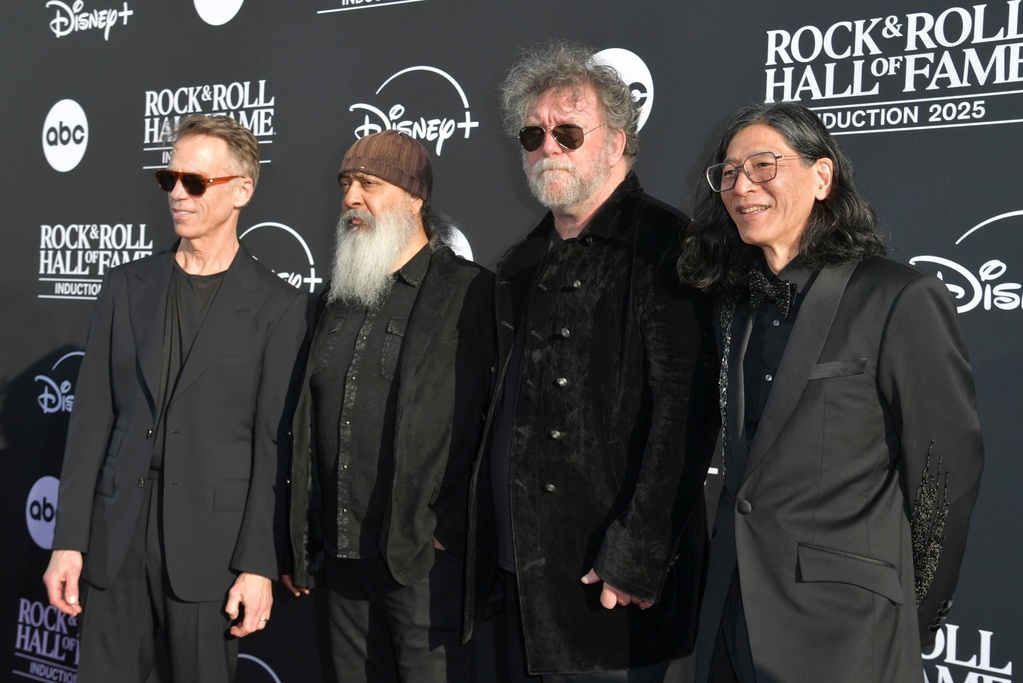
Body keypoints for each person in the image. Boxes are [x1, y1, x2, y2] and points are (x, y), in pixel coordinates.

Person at [677, 101, 985, 682]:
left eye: (764, 165)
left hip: (847, 632)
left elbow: (943, 481)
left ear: (822, 177)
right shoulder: (735, 305)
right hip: (729, 618)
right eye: (730, 172)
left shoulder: (899, 298)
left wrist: (910, 618)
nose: (742, 186)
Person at [463, 41, 719, 681]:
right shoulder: (517, 264)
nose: (548, 147)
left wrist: (636, 554)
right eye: (533, 134)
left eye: (569, 132)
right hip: (517, 581)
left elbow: (686, 417)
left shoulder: (665, 245)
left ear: (617, 143)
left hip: (611, 589)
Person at [42, 115, 308, 683]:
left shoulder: (278, 306)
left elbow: (273, 449)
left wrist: (257, 565)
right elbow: (90, 425)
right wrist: (68, 542)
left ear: (242, 190)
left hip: (210, 551)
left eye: (195, 182)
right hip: (115, 539)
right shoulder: (125, 287)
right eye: (170, 179)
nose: (178, 194)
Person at [284, 130, 495, 683]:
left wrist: (447, 528)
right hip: (342, 558)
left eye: (369, 184)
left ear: (415, 198)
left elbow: (491, 423)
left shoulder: (469, 294)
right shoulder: (334, 299)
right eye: (346, 184)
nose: (351, 198)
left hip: (422, 559)